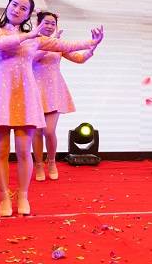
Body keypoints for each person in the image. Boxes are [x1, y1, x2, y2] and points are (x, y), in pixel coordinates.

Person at [0, 0, 103, 216]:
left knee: (24, 150)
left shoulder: (36, 39)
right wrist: (30, 34)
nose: (17, 10)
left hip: (26, 95)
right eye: (15, 5)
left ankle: (23, 195)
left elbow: (65, 45)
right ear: (8, 6)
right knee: (0, 151)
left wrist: (92, 42)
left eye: (23, 8)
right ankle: (4, 196)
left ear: (28, 15)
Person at [32, 11, 103, 181]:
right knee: (37, 132)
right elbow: (31, 59)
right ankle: (39, 165)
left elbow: (79, 58)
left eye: (53, 23)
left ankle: (51, 162)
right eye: (46, 22)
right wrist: (51, 44)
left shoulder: (58, 45)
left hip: (54, 91)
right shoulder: (31, 41)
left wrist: (93, 47)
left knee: (49, 131)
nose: (50, 26)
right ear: (38, 24)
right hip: (34, 91)